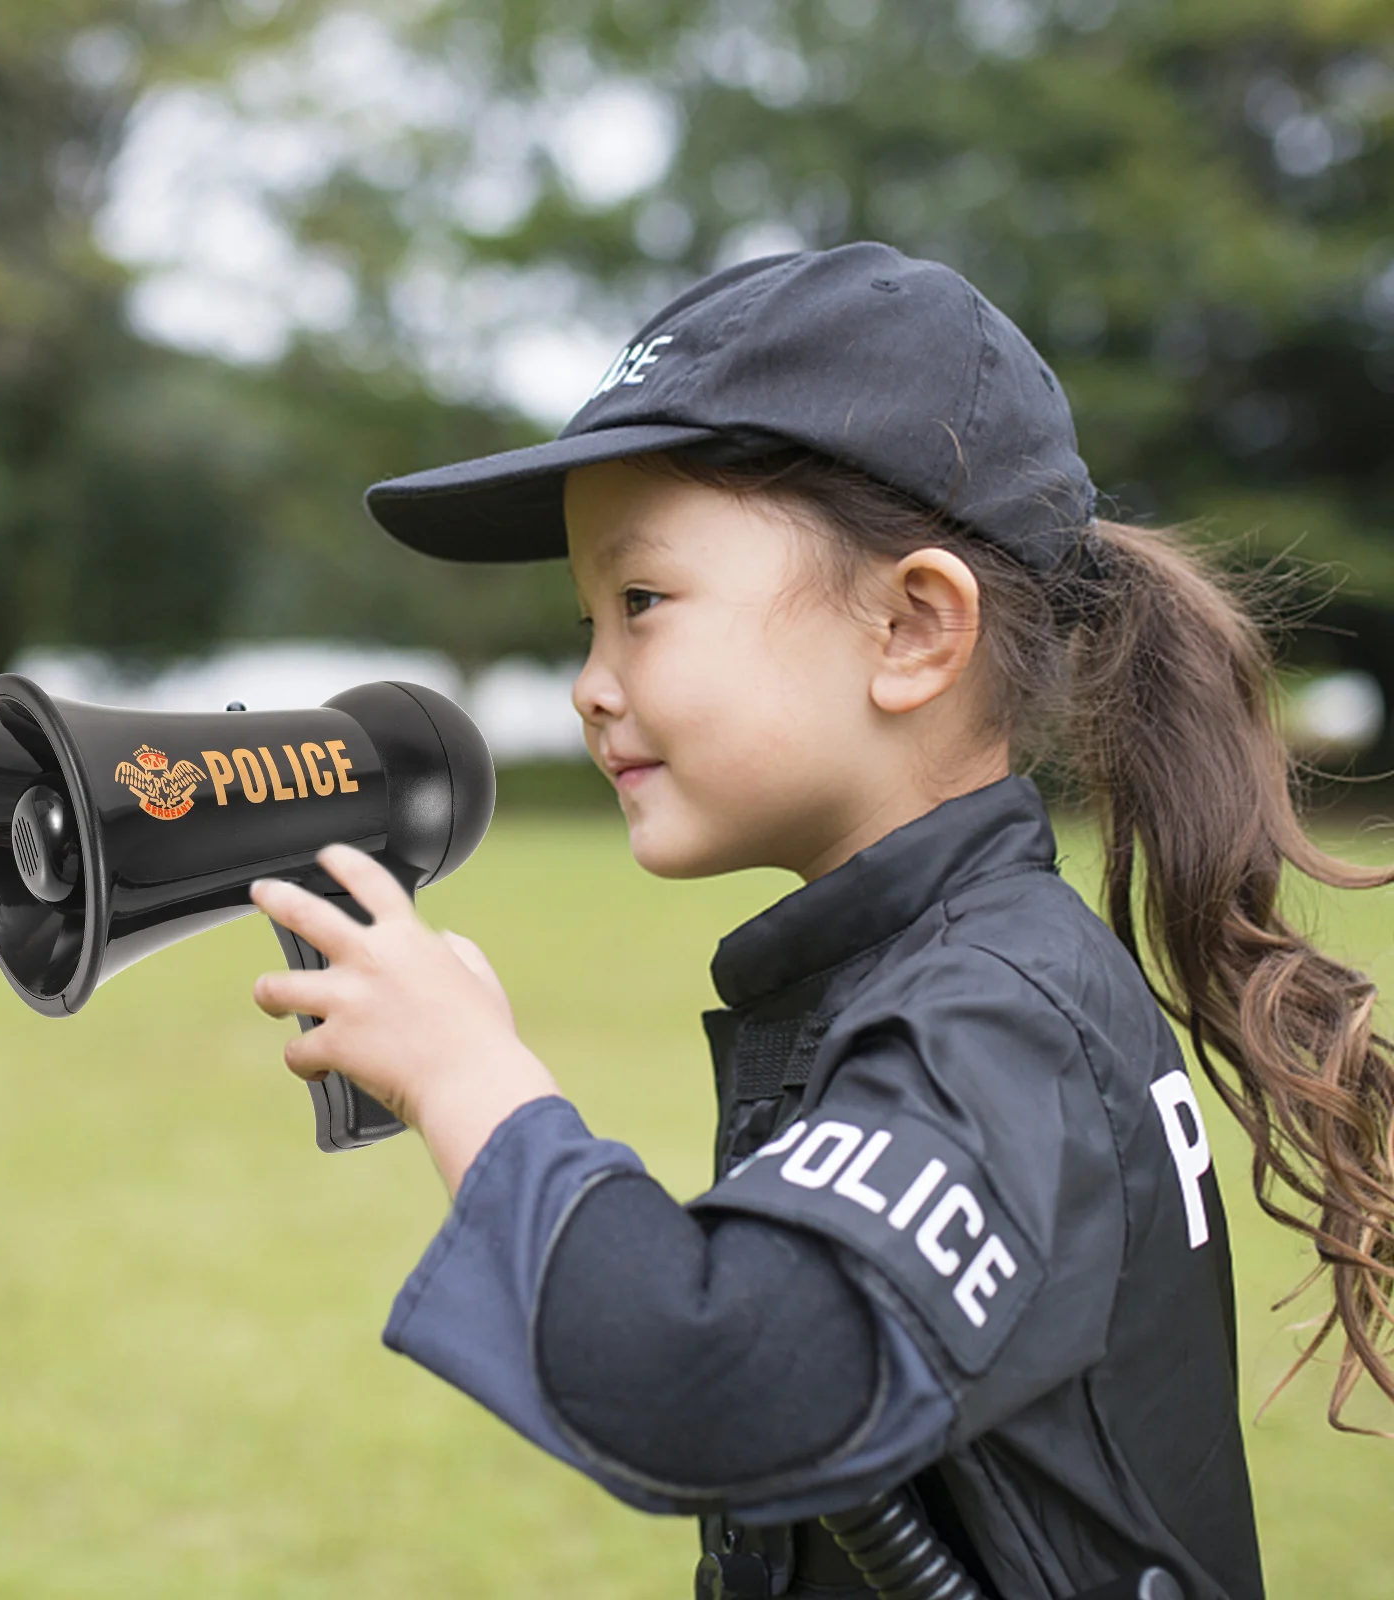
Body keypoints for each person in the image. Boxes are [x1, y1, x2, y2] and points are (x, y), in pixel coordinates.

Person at [246, 242, 1394, 1600]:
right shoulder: (938, 973)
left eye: (643, 604)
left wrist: (470, 1076)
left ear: (915, 629)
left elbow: (714, 1381)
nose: (589, 684)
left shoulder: (998, 1018)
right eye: (584, 621)